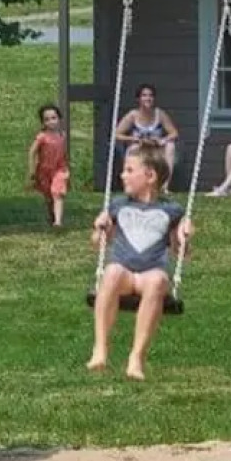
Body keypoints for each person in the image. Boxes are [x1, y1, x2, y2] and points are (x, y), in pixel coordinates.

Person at [87, 144, 192, 381]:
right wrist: (99, 227)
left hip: (149, 275)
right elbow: (98, 243)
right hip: (123, 274)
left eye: (129, 170)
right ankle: (100, 348)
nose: (122, 175)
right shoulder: (118, 205)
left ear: (150, 176)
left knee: (159, 279)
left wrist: (184, 236)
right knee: (111, 271)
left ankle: (137, 357)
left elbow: (180, 253)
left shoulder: (171, 210)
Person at [115, 84, 180, 191]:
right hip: (140, 147)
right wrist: (133, 139)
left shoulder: (159, 114)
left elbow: (174, 133)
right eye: (144, 95)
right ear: (138, 99)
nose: (148, 98)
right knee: (133, 149)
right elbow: (117, 134)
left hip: (156, 148)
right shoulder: (133, 115)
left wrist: (163, 140)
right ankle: (130, 185)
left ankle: (165, 186)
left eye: (150, 96)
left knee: (170, 147)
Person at [27, 103, 70, 228]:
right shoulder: (42, 137)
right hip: (44, 171)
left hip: (60, 169)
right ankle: (52, 216)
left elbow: (63, 153)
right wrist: (32, 169)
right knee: (49, 196)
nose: (51, 122)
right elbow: (32, 151)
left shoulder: (62, 135)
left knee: (58, 193)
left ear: (59, 119)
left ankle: (58, 221)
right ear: (43, 122)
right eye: (47, 119)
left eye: (54, 118)